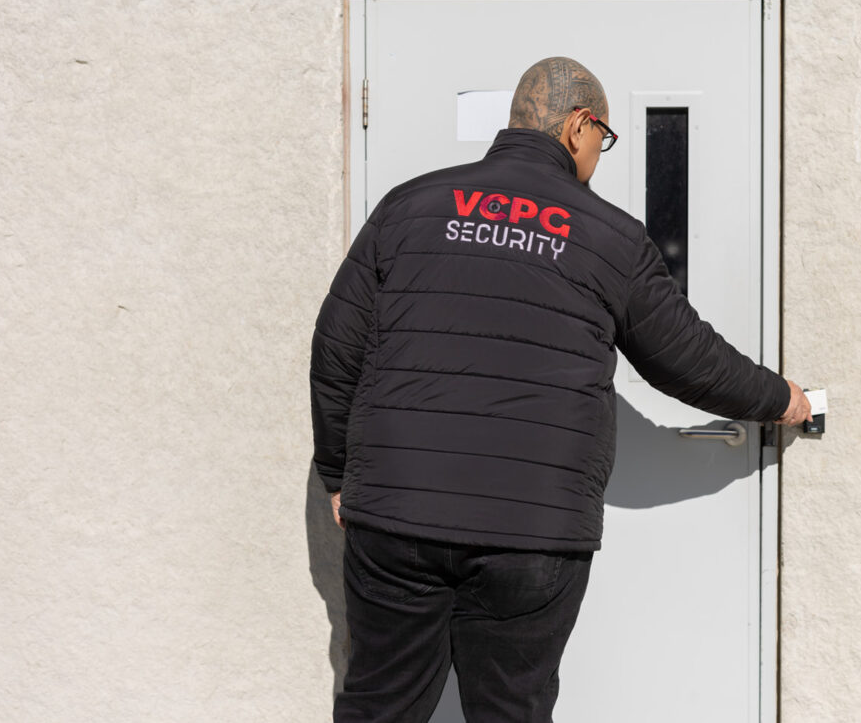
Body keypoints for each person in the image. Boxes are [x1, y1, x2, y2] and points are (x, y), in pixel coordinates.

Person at [310, 56, 812, 723]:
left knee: (380, 704)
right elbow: (686, 358)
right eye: (604, 138)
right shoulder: (610, 237)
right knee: (511, 709)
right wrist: (783, 399)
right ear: (580, 125)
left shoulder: (410, 206)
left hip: (396, 514)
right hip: (533, 530)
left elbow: (336, 349)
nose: (600, 155)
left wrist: (339, 474)